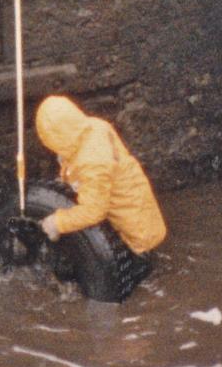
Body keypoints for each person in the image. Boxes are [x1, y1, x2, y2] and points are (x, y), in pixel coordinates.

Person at [35, 95, 167, 257]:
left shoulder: (92, 163)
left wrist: (56, 223)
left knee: (140, 258)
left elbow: (94, 211)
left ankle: (144, 256)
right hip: (136, 202)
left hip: (135, 231)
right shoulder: (96, 126)